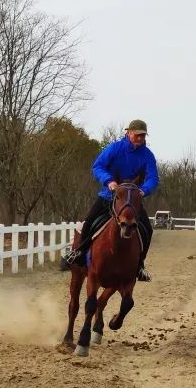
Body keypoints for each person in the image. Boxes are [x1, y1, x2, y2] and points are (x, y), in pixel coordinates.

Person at [61, 119, 158, 281]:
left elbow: (153, 177)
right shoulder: (115, 148)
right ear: (128, 133)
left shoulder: (147, 155)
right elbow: (98, 166)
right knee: (90, 221)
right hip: (108, 194)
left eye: (143, 136)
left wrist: (143, 190)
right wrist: (109, 181)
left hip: (132, 199)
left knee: (147, 229)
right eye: (137, 135)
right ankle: (78, 253)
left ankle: (140, 265)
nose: (140, 138)